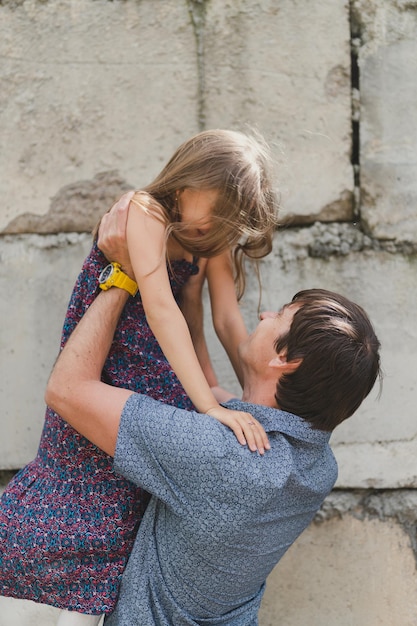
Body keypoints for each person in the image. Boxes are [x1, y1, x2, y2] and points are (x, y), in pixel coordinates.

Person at [44, 210, 382, 625]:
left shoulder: (222, 457)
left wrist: (125, 275)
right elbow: (208, 387)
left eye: (279, 314)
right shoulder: (315, 465)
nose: (263, 316)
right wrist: (191, 300)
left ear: (284, 360)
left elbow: (67, 390)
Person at [0, 130, 278, 625]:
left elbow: (219, 320)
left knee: (135, 493)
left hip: (164, 374)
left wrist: (239, 395)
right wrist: (211, 407)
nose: (214, 229)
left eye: (225, 223)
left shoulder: (206, 238)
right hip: (115, 359)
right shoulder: (146, 210)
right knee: (82, 475)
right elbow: (160, 307)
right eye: (214, 212)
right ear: (189, 180)